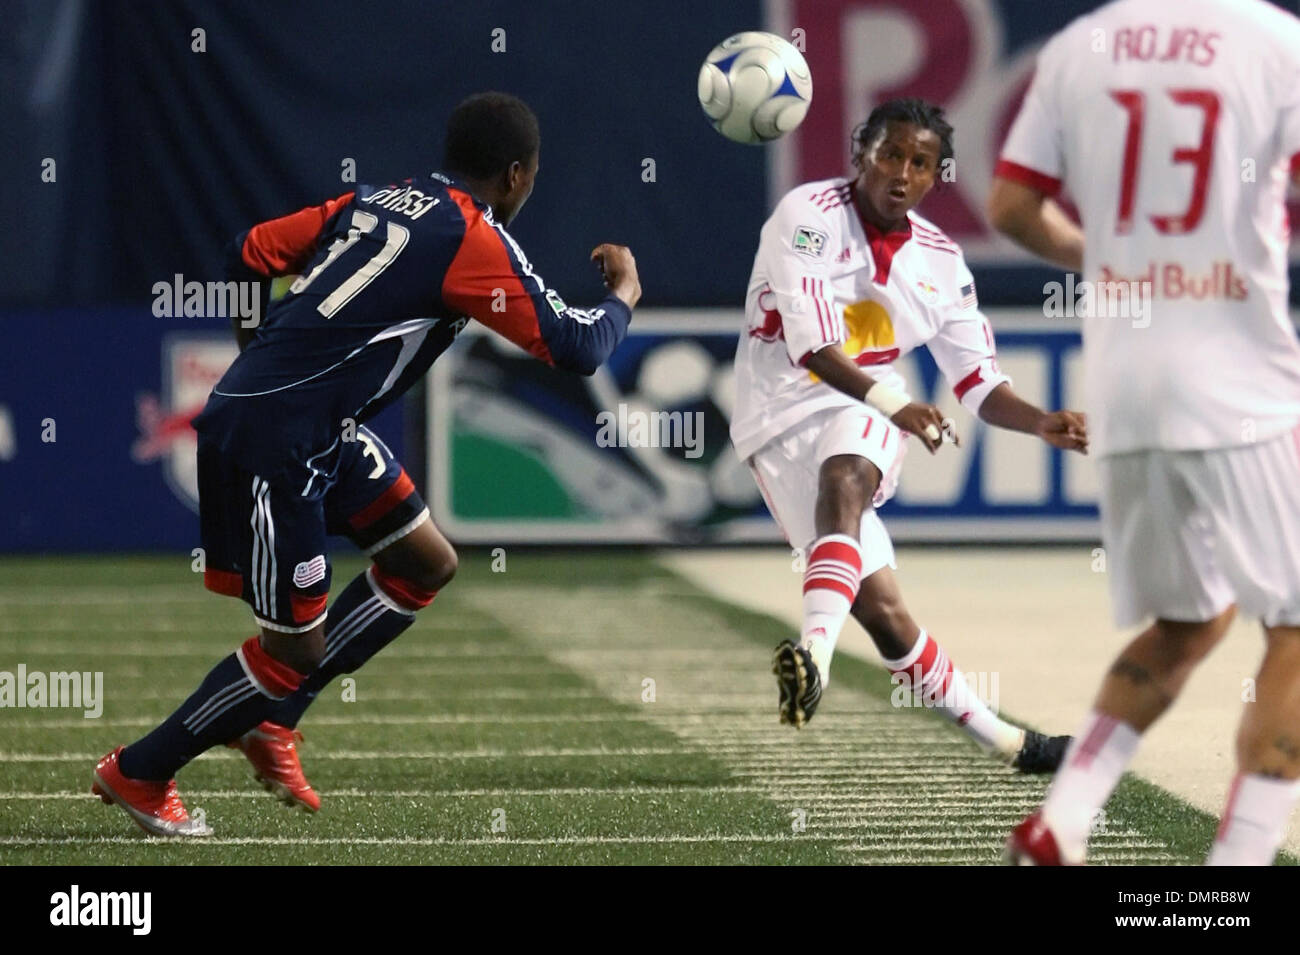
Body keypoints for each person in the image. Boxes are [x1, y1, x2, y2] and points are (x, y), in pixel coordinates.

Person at [91, 91, 641, 836]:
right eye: (532, 177)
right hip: (277, 440)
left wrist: (262, 355)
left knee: (424, 563)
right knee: (293, 647)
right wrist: (625, 296)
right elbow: (577, 346)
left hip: (314, 426)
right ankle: (142, 771)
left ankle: (272, 721)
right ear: (516, 175)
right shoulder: (474, 238)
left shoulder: (375, 198)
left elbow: (249, 251)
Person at [991, 0, 1300, 865]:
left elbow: (1013, 206)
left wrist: (1117, 259)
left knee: (1186, 621)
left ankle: (1060, 821)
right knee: (1298, 629)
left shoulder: (1077, 47)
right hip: (1243, 382)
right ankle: (1236, 869)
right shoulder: (1278, 43)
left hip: (1124, 387)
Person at [731, 97, 1087, 773]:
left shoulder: (943, 264)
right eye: (890, 153)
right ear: (860, 152)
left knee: (848, 471)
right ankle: (1012, 743)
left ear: (935, 177)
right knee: (885, 612)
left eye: (921, 163)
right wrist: (896, 402)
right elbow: (810, 346)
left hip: (858, 407)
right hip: (774, 418)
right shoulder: (807, 216)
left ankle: (813, 657)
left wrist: (1041, 420)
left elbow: (978, 384)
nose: (901, 172)